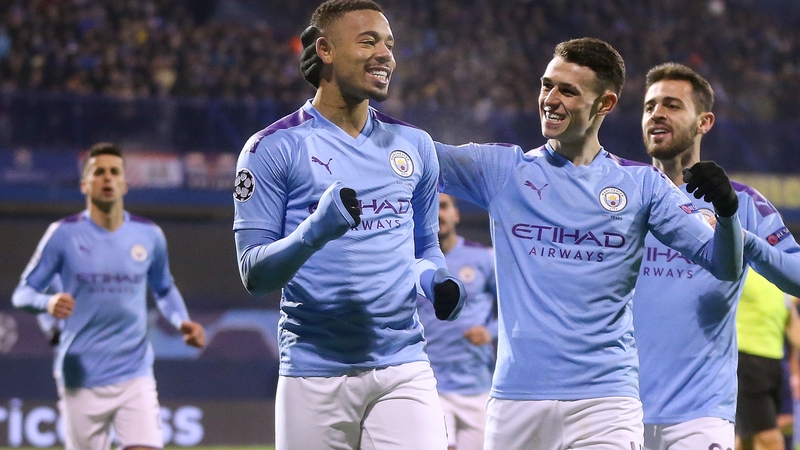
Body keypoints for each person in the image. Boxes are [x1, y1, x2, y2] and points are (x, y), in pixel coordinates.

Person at [300, 33, 743, 450]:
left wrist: (726, 214)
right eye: (547, 86)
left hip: (605, 402)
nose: (550, 100)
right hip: (515, 401)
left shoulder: (641, 186)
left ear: (605, 103)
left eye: (568, 92)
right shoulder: (504, 172)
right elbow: (410, 149)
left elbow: (721, 264)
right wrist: (340, 89)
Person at [233, 1, 465, 449]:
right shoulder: (272, 148)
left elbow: (424, 246)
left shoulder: (415, 145)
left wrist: (437, 280)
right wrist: (314, 232)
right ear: (326, 49)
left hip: (403, 367)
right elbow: (253, 274)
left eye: (390, 44)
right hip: (313, 371)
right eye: (368, 41)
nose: (386, 55)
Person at [630, 62, 800, 450]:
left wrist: (738, 237)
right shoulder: (621, 196)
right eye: (649, 105)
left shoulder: (742, 202)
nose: (657, 113)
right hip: (616, 408)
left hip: (701, 413)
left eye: (672, 105)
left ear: (704, 121)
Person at [11, 142, 206, 450]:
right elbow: (23, 292)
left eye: (114, 172)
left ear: (125, 184)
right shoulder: (62, 235)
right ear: (84, 184)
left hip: (134, 374)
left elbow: (164, 288)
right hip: (81, 377)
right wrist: (46, 302)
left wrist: (182, 321)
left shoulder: (149, 235)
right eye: (98, 172)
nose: (107, 178)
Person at [416, 193, 497, 450]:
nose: (437, 213)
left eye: (443, 206)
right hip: (427, 383)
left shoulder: (484, 258)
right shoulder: (411, 262)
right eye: (429, 208)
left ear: (456, 214)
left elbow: (513, 309)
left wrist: (490, 332)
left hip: (475, 384)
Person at [736, 271, 800, 450]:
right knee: (770, 439)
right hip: (745, 362)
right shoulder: (742, 267)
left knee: (748, 437)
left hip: (774, 365)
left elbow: (792, 325)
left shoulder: (781, 279)